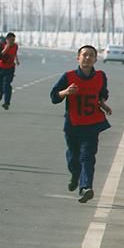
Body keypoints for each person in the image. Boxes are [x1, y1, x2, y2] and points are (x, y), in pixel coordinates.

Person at [50, 45, 113, 203]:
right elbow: (54, 97)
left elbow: (102, 93)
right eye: (84, 55)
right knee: (74, 157)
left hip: (92, 124)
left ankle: (86, 187)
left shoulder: (100, 76)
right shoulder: (69, 77)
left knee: (87, 156)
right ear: (78, 58)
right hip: (73, 124)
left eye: (91, 55)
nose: (87, 58)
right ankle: (75, 175)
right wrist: (66, 92)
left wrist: (103, 104)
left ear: (95, 59)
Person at [0, 32, 20, 110]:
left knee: (7, 85)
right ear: (7, 39)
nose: (13, 42)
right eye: (11, 40)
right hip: (0, 68)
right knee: (0, 85)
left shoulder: (15, 46)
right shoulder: (0, 46)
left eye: (14, 40)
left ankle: (6, 103)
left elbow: (15, 53)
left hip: (10, 68)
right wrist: (7, 47)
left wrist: (17, 60)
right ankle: (1, 92)